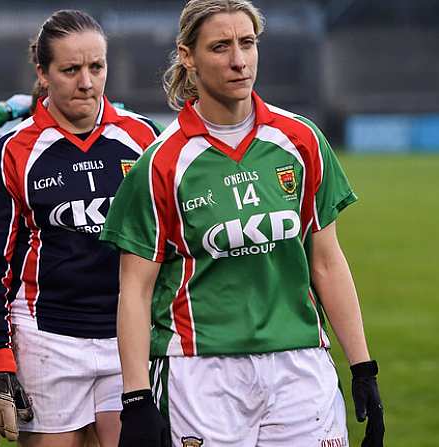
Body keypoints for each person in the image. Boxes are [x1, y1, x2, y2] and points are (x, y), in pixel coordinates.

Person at [100, 1, 385, 446]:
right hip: (200, 373)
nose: (239, 60)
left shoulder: (301, 140)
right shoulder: (162, 163)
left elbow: (326, 263)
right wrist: (136, 398)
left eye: (247, 43)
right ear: (188, 56)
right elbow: (134, 291)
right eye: (220, 46)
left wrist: (363, 366)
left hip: (300, 367)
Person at [0, 9, 160, 447]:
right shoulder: (13, 151)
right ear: (43, 72)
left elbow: (172, 243)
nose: (86, 82)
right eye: (70, 70)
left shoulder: (144, 140)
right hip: (45, 340)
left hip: (126, 335)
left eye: (97, 67)